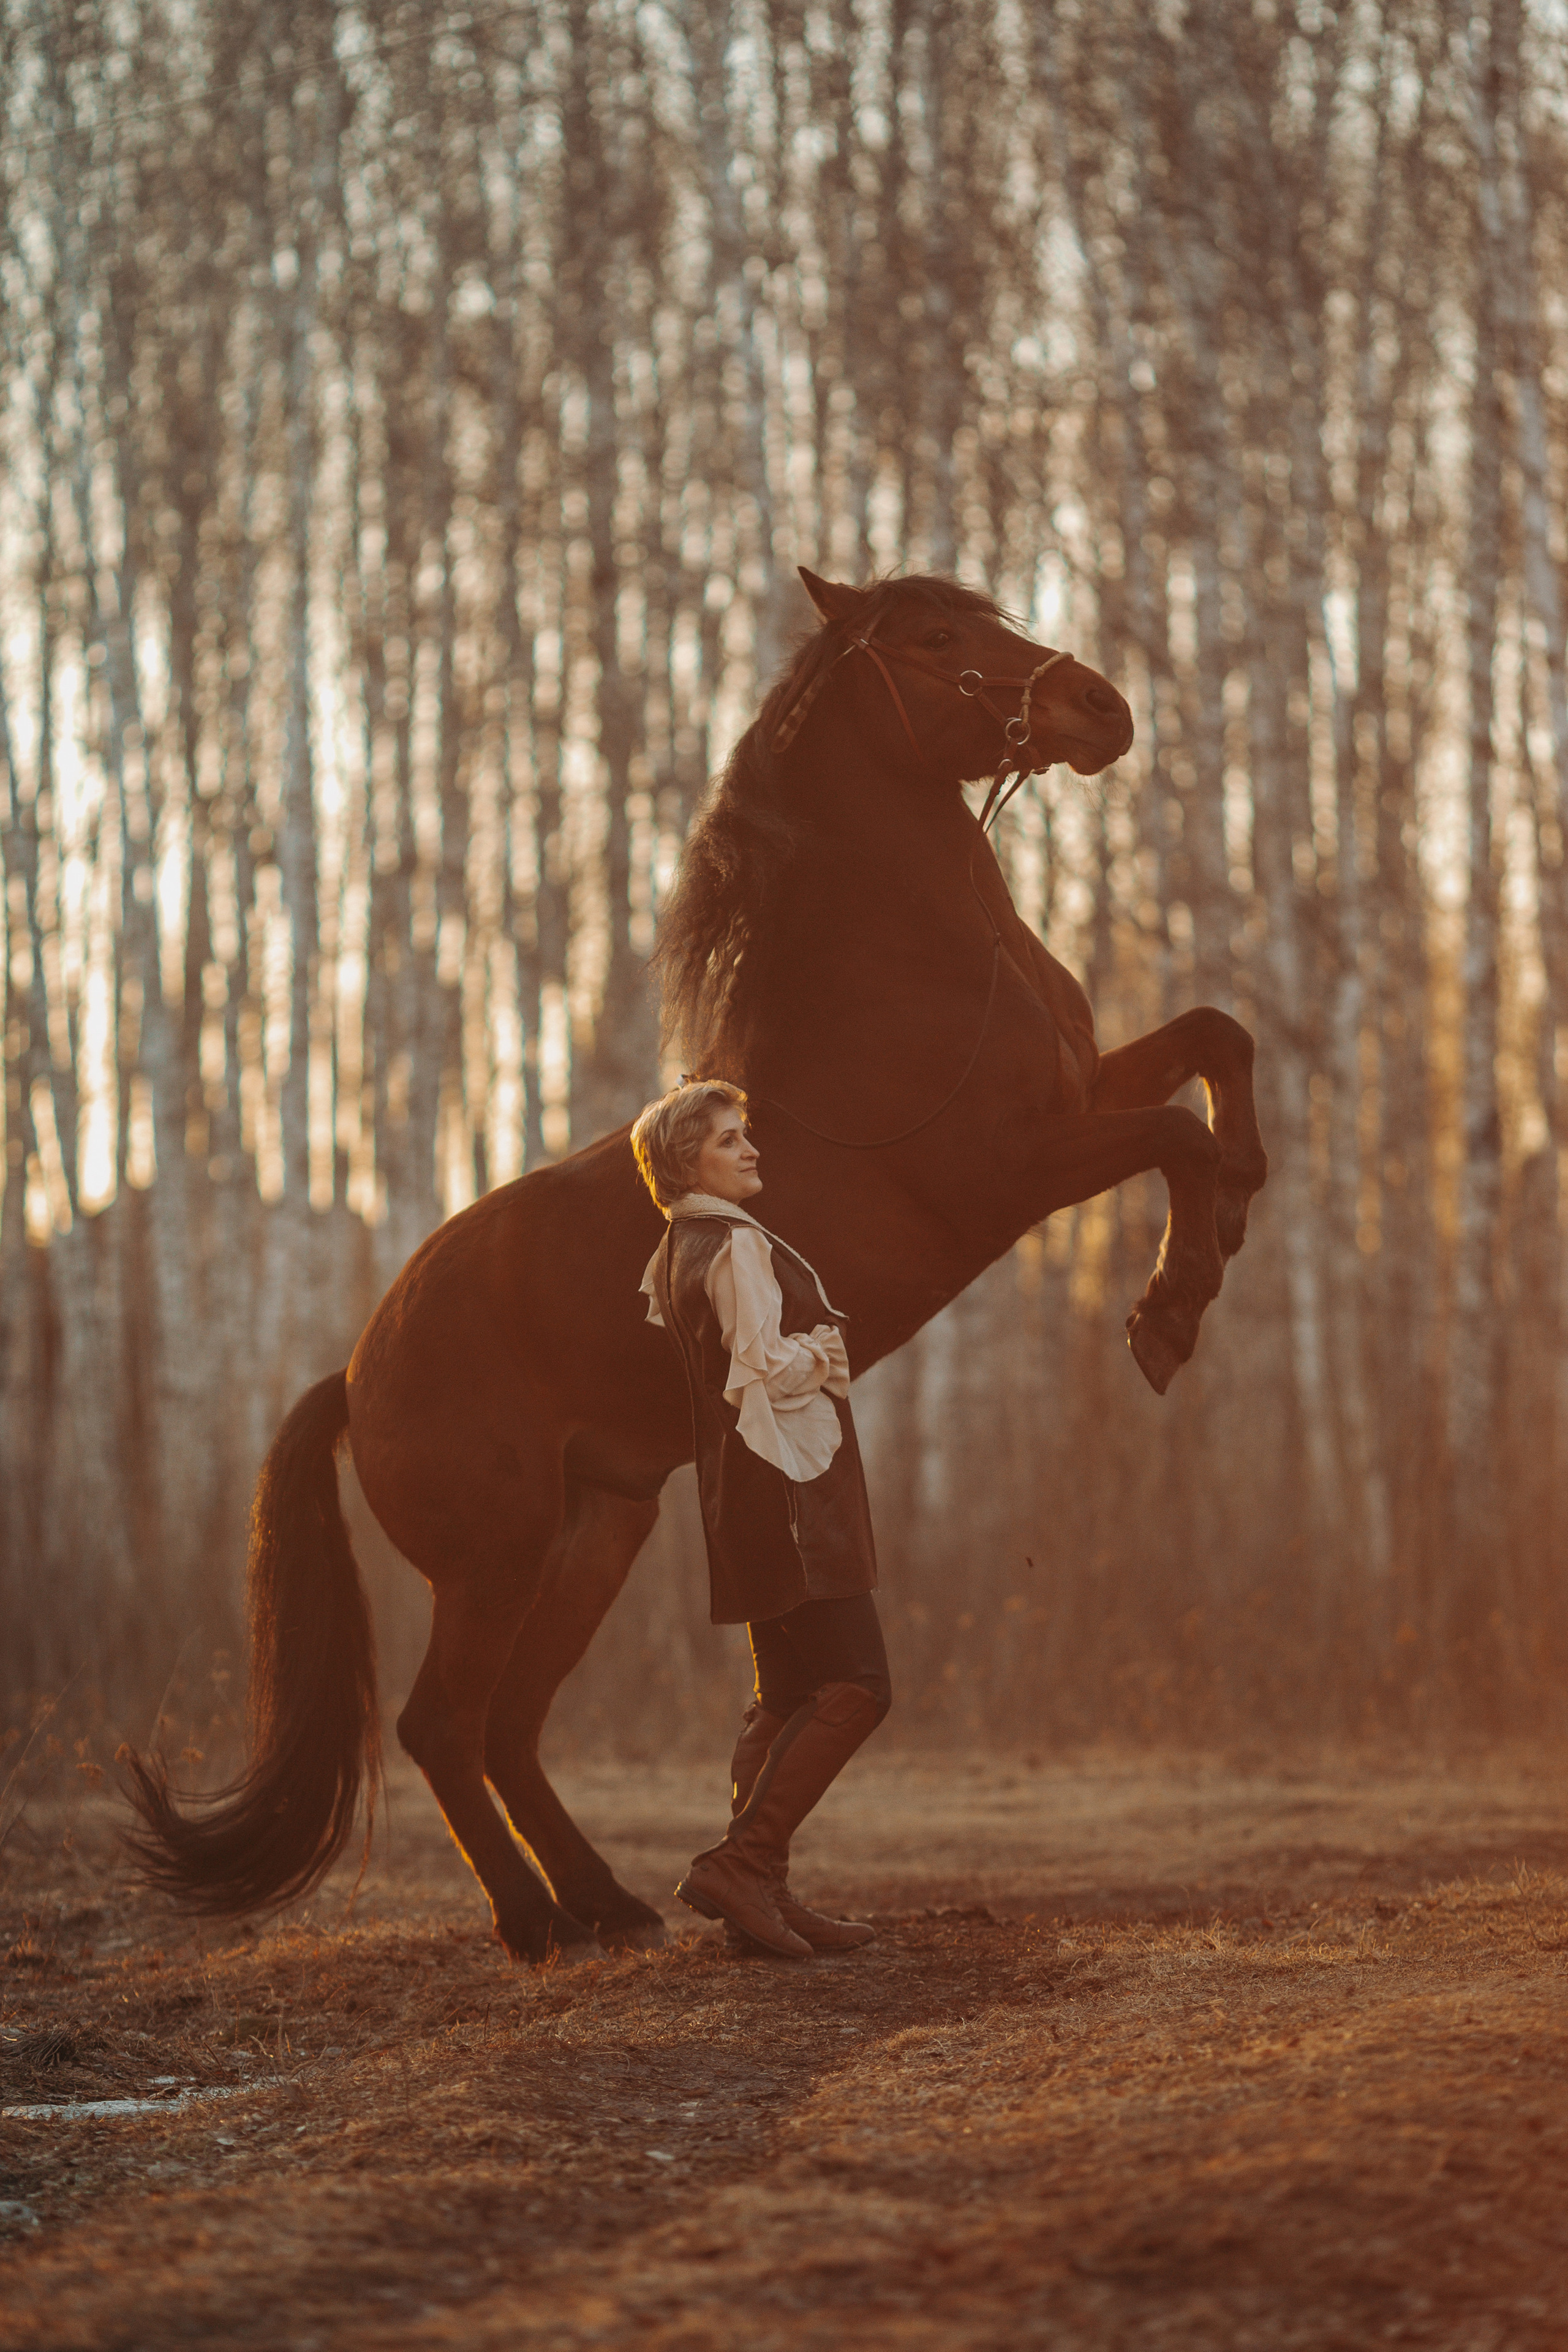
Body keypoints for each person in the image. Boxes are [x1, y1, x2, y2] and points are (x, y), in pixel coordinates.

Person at [631, 1078, 890, 1960]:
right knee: (860, 1685)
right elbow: (760, 1370)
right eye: (729, 1140)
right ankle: (744, 1865)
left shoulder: (679, 1245)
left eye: (746, 1136)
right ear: (684, 1161)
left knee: (785, 1695)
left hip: (741, 1492)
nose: (750, 1150)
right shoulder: (734, 1244)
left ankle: (760, 1893)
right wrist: (820, 1351)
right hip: (788, 1489)